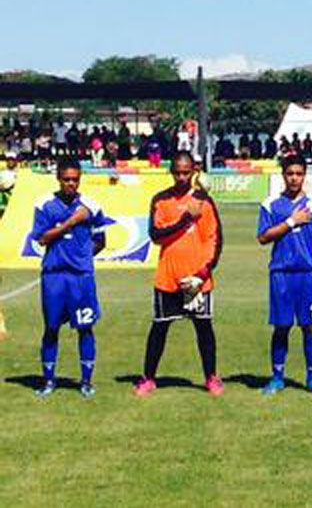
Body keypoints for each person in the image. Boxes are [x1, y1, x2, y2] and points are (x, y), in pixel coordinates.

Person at [133, 153, 224, 397]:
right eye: (177, 172)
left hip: (198, 281)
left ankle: (211, 378)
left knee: (204, 329)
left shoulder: (204, 201)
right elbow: (156, 235)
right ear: (171, 172)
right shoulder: (160, 200)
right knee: (159, 329)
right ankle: (148, 378)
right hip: (168, 279)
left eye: (186, 172)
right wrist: (185, 218)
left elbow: (214, 240)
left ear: (193, 171)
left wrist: (202, 274)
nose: (182, 177)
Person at [29, 158, 112, 397]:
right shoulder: (44, 205)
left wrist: (82, 257)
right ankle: (48, 381)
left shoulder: (92, 206)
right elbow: (42, 238)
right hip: (54, 276)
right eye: (66, 179)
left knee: (85, 328)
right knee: (51, 328)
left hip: (81, 277)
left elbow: (101, 241)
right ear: (58, 178)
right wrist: (72, 222)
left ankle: (86, 382)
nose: (71, 184)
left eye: (75, 179)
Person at [257, 155, 312, 395]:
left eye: (299, 174)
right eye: (290, 173)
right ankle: (277, 377)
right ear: (283, 175)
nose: (294, 178)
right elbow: (263, 237)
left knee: (310, 326)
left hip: (308, 275)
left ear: (305, 175)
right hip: (281, 273)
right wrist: (292, 221)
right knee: (281, 327)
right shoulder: (271, 205)